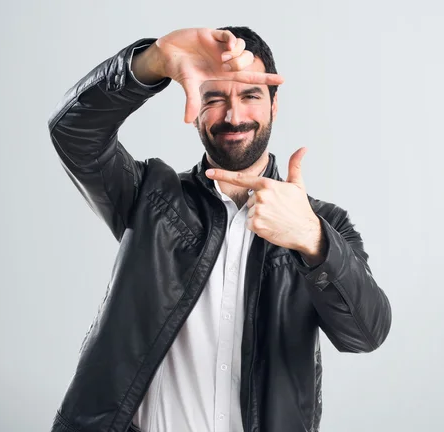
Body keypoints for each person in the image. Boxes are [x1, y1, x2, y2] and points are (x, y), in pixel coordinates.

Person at [47, 26, 392, 432]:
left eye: (250, 96)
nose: (233, 116)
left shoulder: (324, 224)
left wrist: (311, 238)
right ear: (194, 105)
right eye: (214, 98)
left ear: (274, 106)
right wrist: (153, 62)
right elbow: (74, 132)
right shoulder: (151, 197)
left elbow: (366, 333)